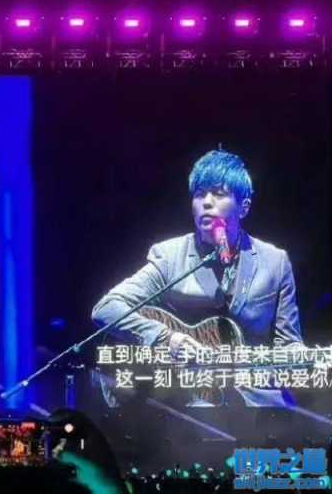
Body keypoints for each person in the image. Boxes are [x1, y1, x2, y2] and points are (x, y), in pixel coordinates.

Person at [92, 149, 303, 406]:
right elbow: (106, 308)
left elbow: (289, 344)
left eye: (219, 194)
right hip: (188, 401)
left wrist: (307, 361)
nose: (206, 202)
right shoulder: (170, 257)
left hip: (259, 403)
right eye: (200, 194)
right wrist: (166, 338)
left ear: (244, 207)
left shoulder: (276, 262)